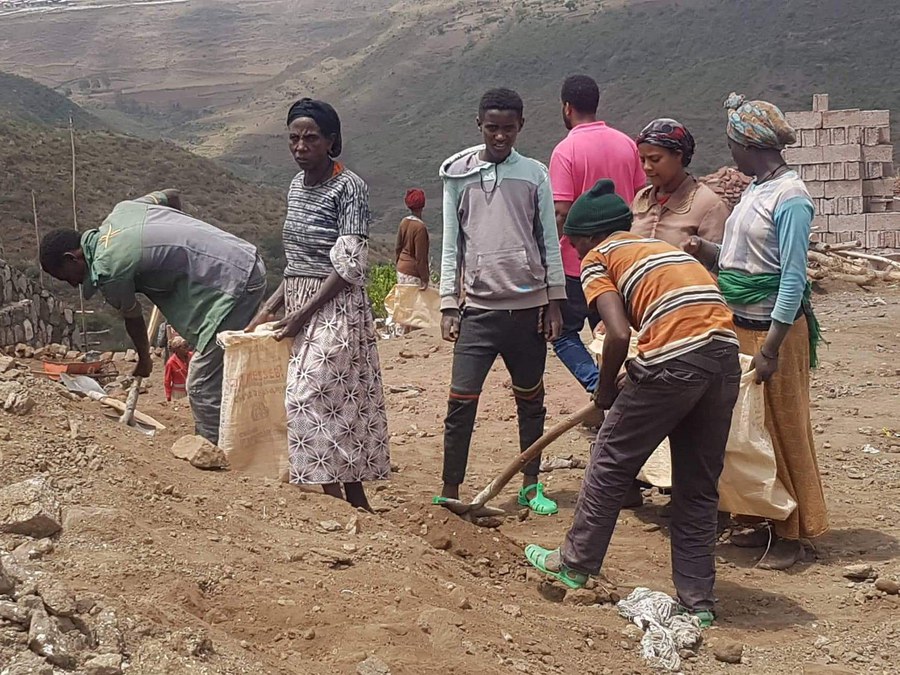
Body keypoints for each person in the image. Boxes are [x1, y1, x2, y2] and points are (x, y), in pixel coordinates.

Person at [525, 179, 741, 626]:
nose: (571, 246)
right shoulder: (661, 250)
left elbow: (619, 333)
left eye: (572, 237)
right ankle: (698, 602)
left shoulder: (599, 258)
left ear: (588, 237)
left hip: (677, 357)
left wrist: (605, 392)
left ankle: (573, 564)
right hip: (722, 358)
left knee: (609, 459)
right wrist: (636, 370)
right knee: (697, 486)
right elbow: (675, 319)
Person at [684, 93, 828, 570]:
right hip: (744, 324)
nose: (730, 153)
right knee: (752, 429)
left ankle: (795, 532)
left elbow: (791, 276)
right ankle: (763, 517)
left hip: (776, 333)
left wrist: (770, 347)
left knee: (785, 426)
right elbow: (739, 256)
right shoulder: (755, 190)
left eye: (731, 143)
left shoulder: (791, 198)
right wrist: (704, 249)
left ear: (748, 144)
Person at [245, 98, 390, 511]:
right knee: (334, 400)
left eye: (311, 137)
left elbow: (349, 265)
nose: (301, 146)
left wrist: (299, 315)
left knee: (307, 395)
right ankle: (352, 500)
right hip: (299, 301)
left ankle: (339, 497)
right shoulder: (295, 186)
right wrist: (269, 309)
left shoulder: (350, 187)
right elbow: (296, 263)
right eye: (294, 138)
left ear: (331, 141)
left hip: (337, 306)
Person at [39, 190, 267, 444]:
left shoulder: (108, 269)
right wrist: (181, 241)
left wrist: (145, 360)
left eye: (65, 277)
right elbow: (171, 195)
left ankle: (213, 452)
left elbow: (133, 318)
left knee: (202, 383)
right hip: (244, 258)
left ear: (72, 258)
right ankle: (243, 431)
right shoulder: (123, 211)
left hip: (234, 284)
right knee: (221, 366)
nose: (72, 285)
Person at [438, 88, 565, 515]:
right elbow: (451, 244)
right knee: (460, 402)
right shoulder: (456, 175)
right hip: (477, 310)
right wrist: (447, 303)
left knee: (531, 401)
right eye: (492, 128)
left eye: (508, 129)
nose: (499, 137)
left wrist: (554, 301)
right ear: (479, 126)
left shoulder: (535, 175)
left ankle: (531, 484)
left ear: (520, 128)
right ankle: (451, 489)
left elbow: (548, 240)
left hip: (527, 310)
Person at [549, 74, 645, 395]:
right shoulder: (626, 144)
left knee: (564, 335)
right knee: (611, 330)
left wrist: (549, 254)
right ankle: (617, 390)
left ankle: (600, 387)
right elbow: (642, 198)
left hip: (577, 264)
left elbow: (561, 212)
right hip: (623, 262)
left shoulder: (566, 151)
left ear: (567, 107)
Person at [632, 118, 731, 246]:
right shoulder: (641, 199)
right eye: (642, 160)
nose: (647, 167)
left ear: (678, 156)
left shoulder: (709, 205)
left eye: (655, 159)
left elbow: (714, 259)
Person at [395, 188, 430, 289]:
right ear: (422, 205)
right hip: (413, 272)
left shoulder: (403, 222)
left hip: (401, 269)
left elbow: (398, 248)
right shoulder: (420, 228)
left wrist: (398, 264)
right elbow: (420, 257)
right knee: (414, 303)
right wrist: (425, 278)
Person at [164, 336, 192, 402]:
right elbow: (167, 380)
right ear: (177, 349)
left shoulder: (192, 356)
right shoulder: (171, 363)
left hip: (191, 390)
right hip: (179, 393)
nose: (187, 349)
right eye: (184, 347)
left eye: (187, 346)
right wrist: (168, 396)